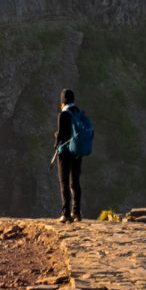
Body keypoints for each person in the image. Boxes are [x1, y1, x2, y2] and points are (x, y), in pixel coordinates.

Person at [53, 89, 89, 222]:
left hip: (64, 152)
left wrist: (56, 141)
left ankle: (66, 213)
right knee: (75, 182)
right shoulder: (79, 112)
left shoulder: (63, 114)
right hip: (77, 151)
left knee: (64, 182)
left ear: (63, 101)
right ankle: (77, 212)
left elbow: (61, 136)